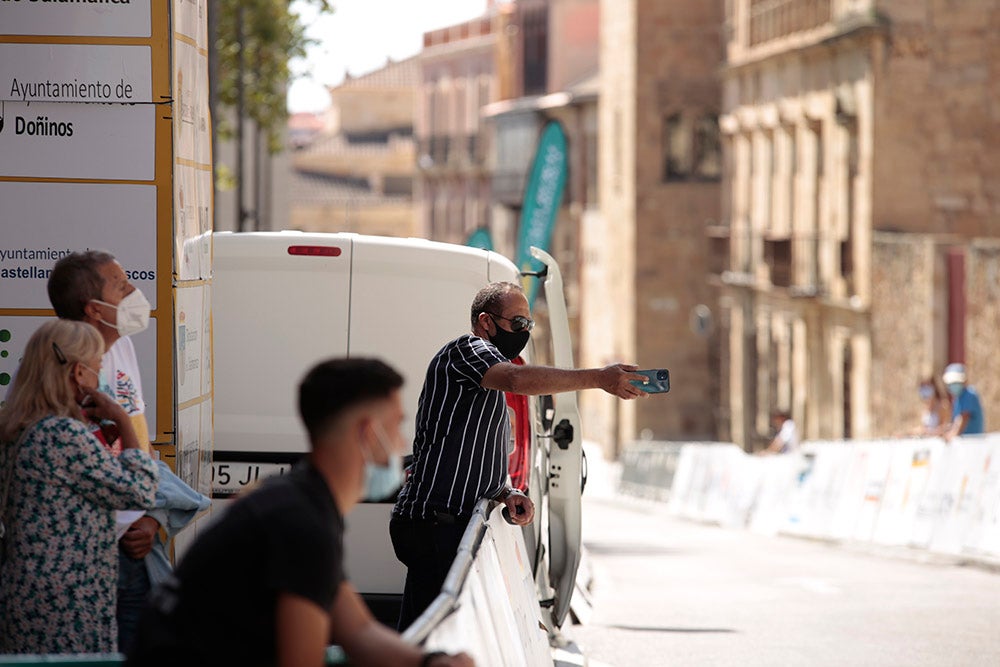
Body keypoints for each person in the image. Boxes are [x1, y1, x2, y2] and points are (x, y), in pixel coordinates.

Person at [128, 358, 472, 667]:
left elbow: (360, 632)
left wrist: (433, 662)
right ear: (369, 433)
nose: (401, 443)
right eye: (397, 426)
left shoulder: (300, 500)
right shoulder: (300, 522)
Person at [391, 281, 647, 630]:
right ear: (485, 322)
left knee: (438, 634)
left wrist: (504, 492)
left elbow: (472, 449)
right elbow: (516, 378)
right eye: (518, 323)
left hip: (451, 524)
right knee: (431, 634)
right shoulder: (467, 350)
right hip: (434, 522)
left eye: (529, 325)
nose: (524, 332)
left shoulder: (488, 379)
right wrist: (599, 378)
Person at [0, 320, 158, 654]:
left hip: (26, 592)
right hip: (70, 602)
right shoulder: (64, 436)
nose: (101, 377)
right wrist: (124, 421)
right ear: (78, 374)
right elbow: (139, 490)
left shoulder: (16, 426)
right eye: (98, 367)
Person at [47, 250, 162, 651]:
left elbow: (140, 443)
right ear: (94, 309)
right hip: (79, 563)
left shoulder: (123, 348)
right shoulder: (54, 365)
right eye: (121, 285)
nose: (134, 291)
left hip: (133, 551)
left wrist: (149, 519)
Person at [941, 363, 985, 441]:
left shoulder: (969, 394)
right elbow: (954, 422)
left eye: (956, 382)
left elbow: (963, 418)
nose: (953, 385)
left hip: (973, 443)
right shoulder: (958, 399)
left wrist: (951, 435)